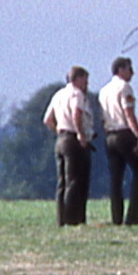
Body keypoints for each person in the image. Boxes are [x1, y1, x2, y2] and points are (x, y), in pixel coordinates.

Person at [42, 66, 95, 226]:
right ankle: (74, 219)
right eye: (85, 79)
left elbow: (47, 119)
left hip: (61, 139)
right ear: (77, 79)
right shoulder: (76, 94)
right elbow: (76, 113)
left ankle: (61, 218)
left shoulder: (58, 94)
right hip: (74, 139)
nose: (87, 84)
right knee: (76, 181)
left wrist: (58, 130)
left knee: (62, 182)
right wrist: (80, 133)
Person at [99, 56, 138, 225]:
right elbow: (129, 114)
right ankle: (133, 216)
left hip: (110, 135)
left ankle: (116, 217)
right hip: (124, 133)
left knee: (116, 178)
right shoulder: (125, 88)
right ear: (120, 69)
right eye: (129, 68)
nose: (132, 73)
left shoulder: (103, 91)